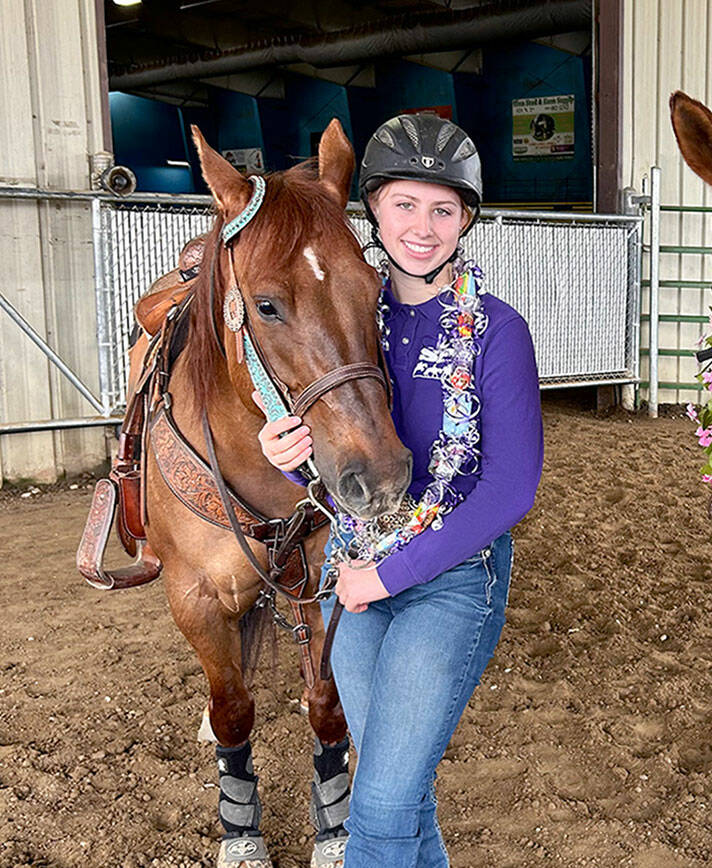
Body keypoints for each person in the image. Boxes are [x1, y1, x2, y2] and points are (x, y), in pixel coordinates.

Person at [257, 113, 543, 867]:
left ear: (466, 221)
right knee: (401, 792)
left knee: (378, 808)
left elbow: (511, 489)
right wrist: (288, 457)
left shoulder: (496, 332)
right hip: (351, 572)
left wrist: (387, 575)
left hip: (448, 581)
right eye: (405, 204)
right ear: (373, 211)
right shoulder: (349, 316)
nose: (424, 226)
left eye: (444, 209)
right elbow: (337, 467)